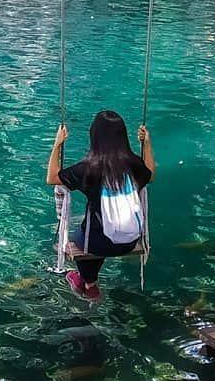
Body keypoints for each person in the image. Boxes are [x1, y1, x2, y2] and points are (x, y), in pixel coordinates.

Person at [46, 111, 154, 302]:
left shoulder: (89, 167)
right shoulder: (133, 164)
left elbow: (52, 178)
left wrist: (58, 143)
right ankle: (88, 283)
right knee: (100, 226)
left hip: (96, 243)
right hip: (129, 241)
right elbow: (150, 175)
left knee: (85, 232)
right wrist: (147, 143)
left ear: (94, 136)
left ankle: (88, 282)